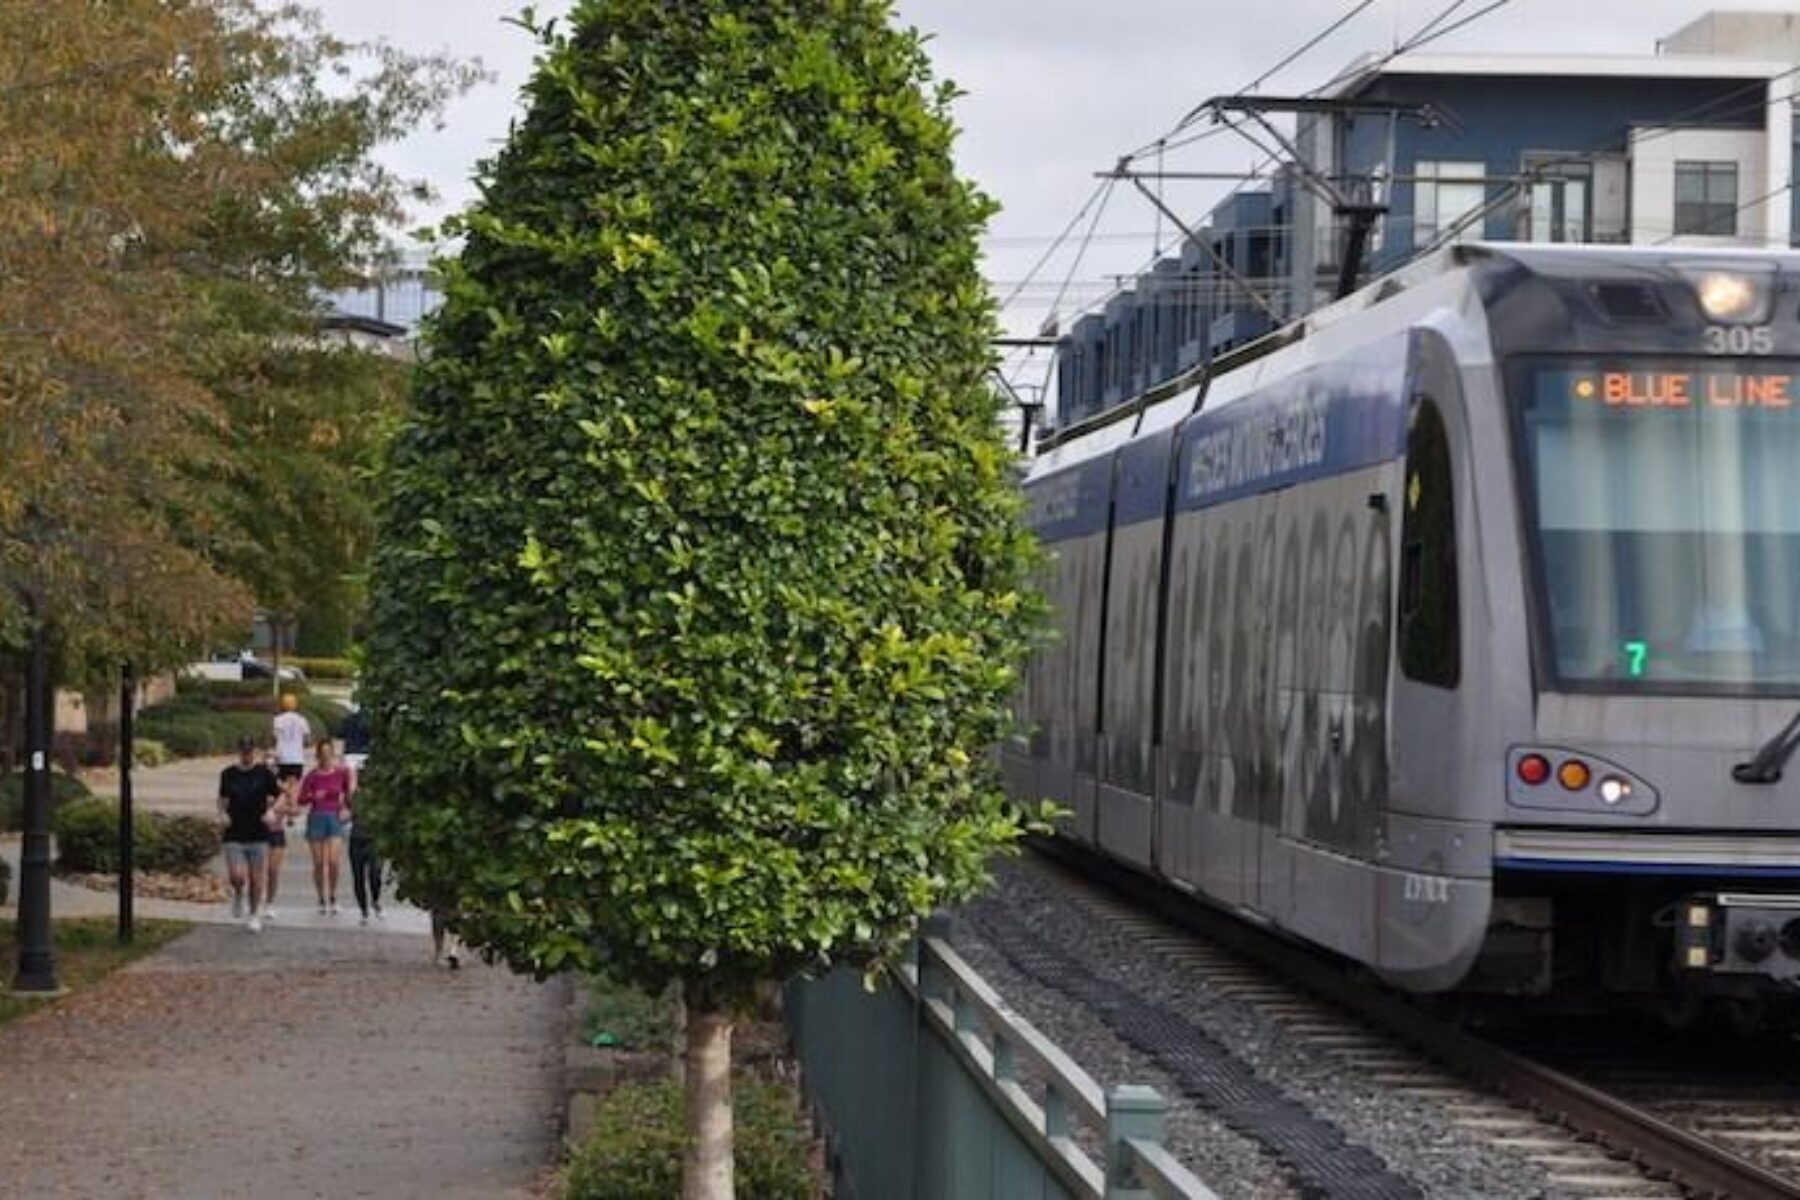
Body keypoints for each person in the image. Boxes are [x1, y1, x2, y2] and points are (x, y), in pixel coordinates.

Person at [217, 737, 280, 933]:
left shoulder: (263, 773)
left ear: (254, 751)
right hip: (234, 831)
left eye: (250, 751)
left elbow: (280, 794)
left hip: (258, 832)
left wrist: (272, 811)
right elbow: (222, 799)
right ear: (239, 751)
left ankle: (254, 914)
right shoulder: (228, 774)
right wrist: (222, 814)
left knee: (256, 877)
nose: (247, 754)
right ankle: (237, 893)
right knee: (237, 875)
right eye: (243, 751)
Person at [298, 737, 354, 915]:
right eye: (322, 754)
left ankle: (333, 896)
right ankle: (321, 898)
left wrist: (347, 808)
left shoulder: (341, 773)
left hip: (335, 818)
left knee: (333, 861)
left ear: (333, 754)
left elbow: (349, 794)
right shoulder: (312, 776)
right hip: (316, 818)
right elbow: (301, 799)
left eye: (329, 754)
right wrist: (315, 796)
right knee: (319, 863)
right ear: (318, 756)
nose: (326, 757)